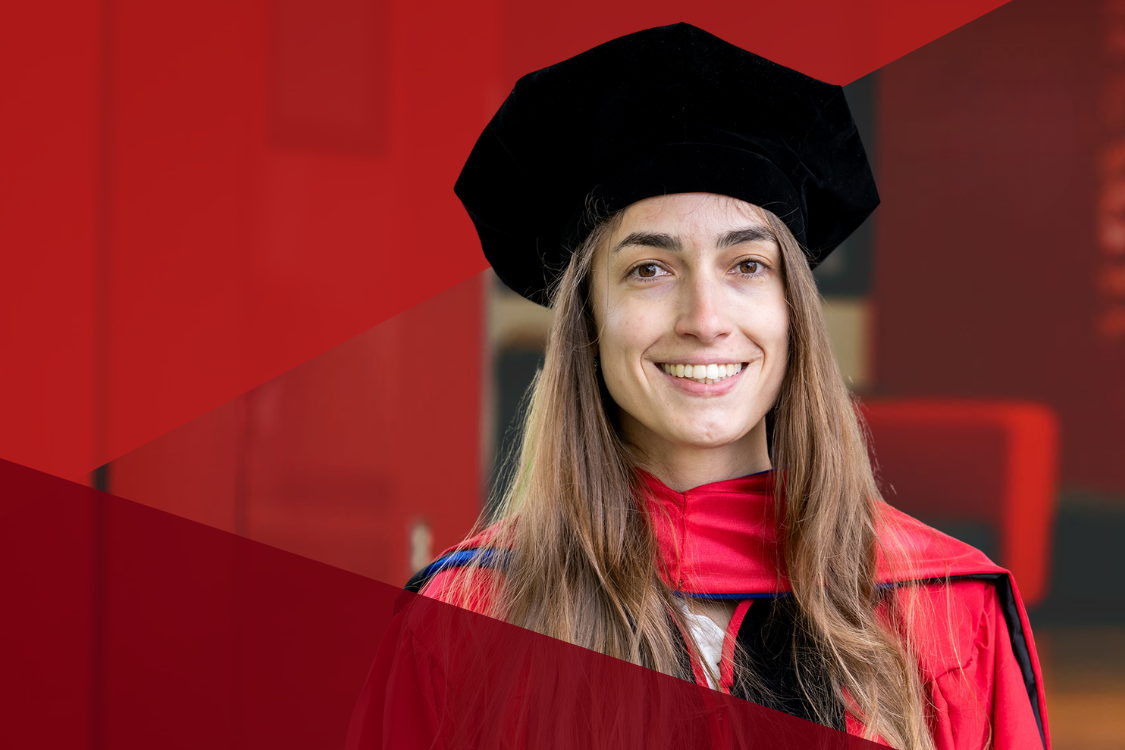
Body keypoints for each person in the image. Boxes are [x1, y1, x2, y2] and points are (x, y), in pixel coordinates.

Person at [346, 23, 1049, 750]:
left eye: (747, 265)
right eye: (648, 269)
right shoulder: (465, 620)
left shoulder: (943, 610)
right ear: (588, 316)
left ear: (792, 312)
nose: (705, 320)